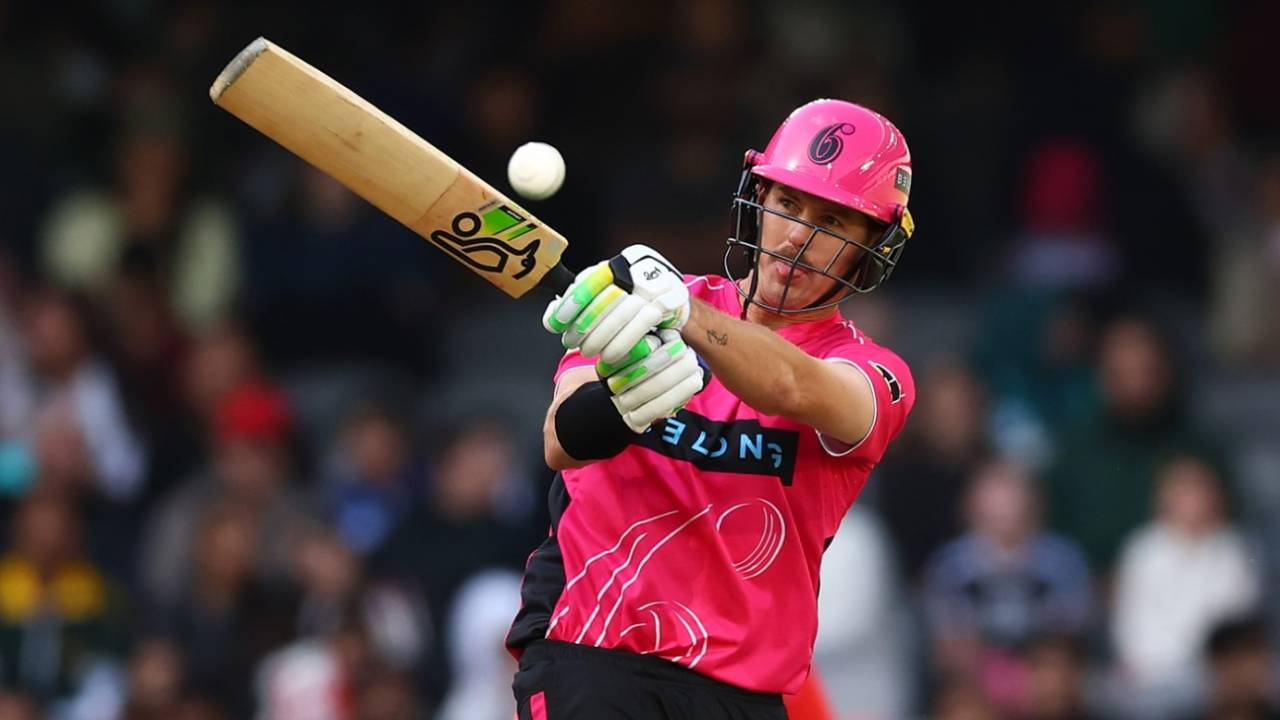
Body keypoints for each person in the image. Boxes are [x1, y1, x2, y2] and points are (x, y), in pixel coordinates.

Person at [506, 99, 917, 719]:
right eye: (787, 204)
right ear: (758, 200)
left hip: (740, 693)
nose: (800, 235)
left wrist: (686, 318)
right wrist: (624, 401)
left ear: (870, 246)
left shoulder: (878, 375)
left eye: (834, 221)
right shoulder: (643, 301)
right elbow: (561, 440)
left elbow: (792, 386)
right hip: (592, 653)